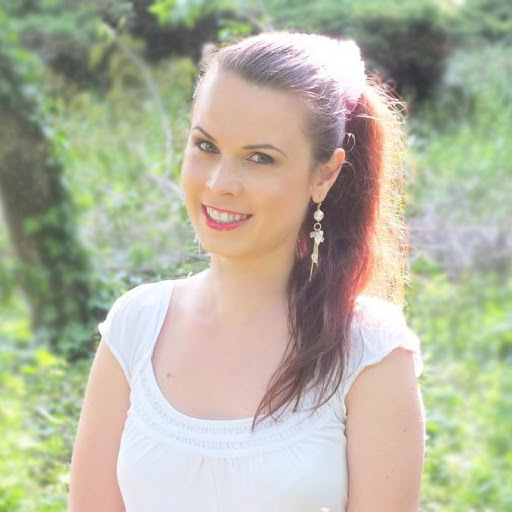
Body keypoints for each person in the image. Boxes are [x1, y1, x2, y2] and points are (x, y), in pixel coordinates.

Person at [68, 31, 425, 512]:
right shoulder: (137, 325)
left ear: (325, 174)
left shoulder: (369, 351)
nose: (220, 183)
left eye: (260, 158)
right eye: (206, 145)